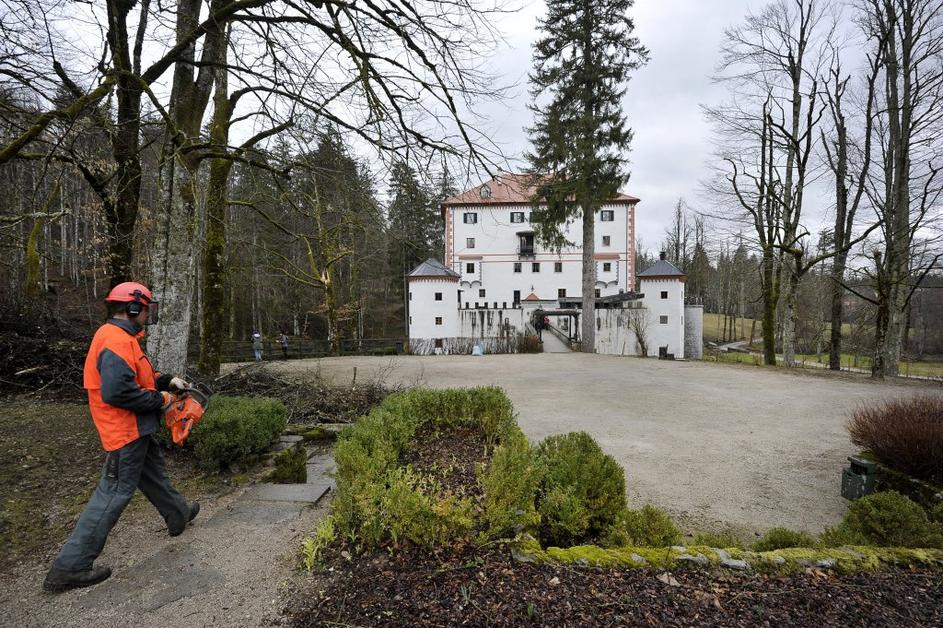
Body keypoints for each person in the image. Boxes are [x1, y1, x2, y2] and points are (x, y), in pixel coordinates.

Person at [43, 282, 199, 593]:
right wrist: (162, 400)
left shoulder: (121, 337)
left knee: (152, 472)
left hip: (137, 427)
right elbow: (119, 392)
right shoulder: (115, 340)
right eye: (146, 309)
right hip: (125, 430)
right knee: (114, 492)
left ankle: (177, 513)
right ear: (133, 308)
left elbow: (137, 376)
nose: (148, 314)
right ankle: (71, 566)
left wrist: (167, 381)